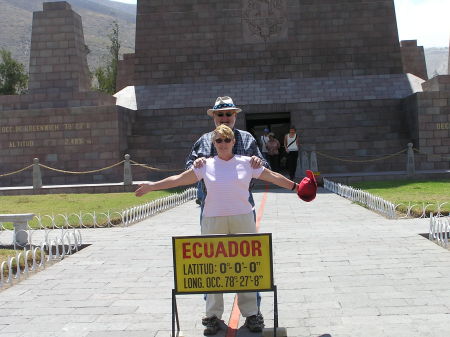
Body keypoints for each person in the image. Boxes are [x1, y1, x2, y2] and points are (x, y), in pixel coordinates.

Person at [136, 124, 317, 336]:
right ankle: (212, 316)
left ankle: (251, 314)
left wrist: (296, 187)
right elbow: (179, 179)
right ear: (214, 143)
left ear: (233, 142)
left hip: (243, 218)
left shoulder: (248, 163)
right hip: (212, 220)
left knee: (248, 266)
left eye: (226, 140)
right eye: (218, 141)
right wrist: (152, 185)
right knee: (211, 269)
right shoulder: (204, 165)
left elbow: (272, 176)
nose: (223, 144)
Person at [186, 96, 269, 211]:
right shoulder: (203, 140)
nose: (224, 118)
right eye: (220, 114)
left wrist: (258, 162)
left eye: (228, 114)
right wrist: (195, 164)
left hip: (243, 204)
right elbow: (188, 168)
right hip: (211, 206)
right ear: (214, 116)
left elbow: (265, 166)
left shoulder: (247, 138)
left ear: (235, 115)